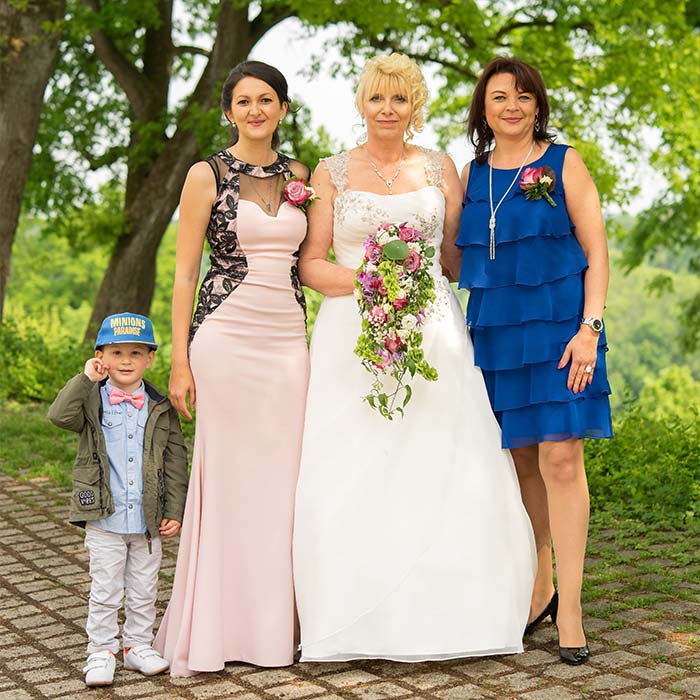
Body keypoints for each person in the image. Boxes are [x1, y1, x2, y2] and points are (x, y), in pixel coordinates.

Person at [293, 53, 536, 662]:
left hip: (434, 333)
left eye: (400, 100)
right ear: (361, 104)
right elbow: (313, 264)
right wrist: (374, 280)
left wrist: (526, 247)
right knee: (354, 466)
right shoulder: (330, 172)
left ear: (414, 107)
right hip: (353, 332)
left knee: (439, 462)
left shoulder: (439, 166)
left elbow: (458, 258)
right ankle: (351, 615)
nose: (388, 109)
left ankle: (456, 612)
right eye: (377, 98)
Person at [153, 61, 310, 676]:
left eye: (266, 100)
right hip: (224, 336)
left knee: (283, 482)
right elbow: (186, 271)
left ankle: (275, 630)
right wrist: (181, 360)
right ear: (228, 111)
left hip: (287, 341)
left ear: (282, 110)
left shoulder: (301, 175)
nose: (254, 110)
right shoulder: (205, 174)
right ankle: (214, 627)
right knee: (225, 480)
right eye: (243, 101)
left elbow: (314, 258)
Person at [457, 56, 613, 665]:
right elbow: (452, 259)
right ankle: (538, 584)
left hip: (562, 333)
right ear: (484, 110)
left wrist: (589, 330)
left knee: (563, 459)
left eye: (523, 95)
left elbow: (597, 250)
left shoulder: (563, 162)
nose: (512, 106)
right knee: (522, 462)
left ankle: (570, 607)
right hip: (496, 333)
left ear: (537, 103)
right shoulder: (471, 175)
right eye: (499, 97)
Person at [47, 312, 188, 687]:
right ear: (101, 356)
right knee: (106, 588)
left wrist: (174, 509)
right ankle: (101, 651)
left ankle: (137, 646)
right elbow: (58, 416)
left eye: (135, 353)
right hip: (105, 517)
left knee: (144, 587)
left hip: (147, 519)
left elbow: (175, 460)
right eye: (116, 352)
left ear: (150, 358)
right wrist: (85, 379)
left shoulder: (160, 405)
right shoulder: (91, 400)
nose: (126, 361)